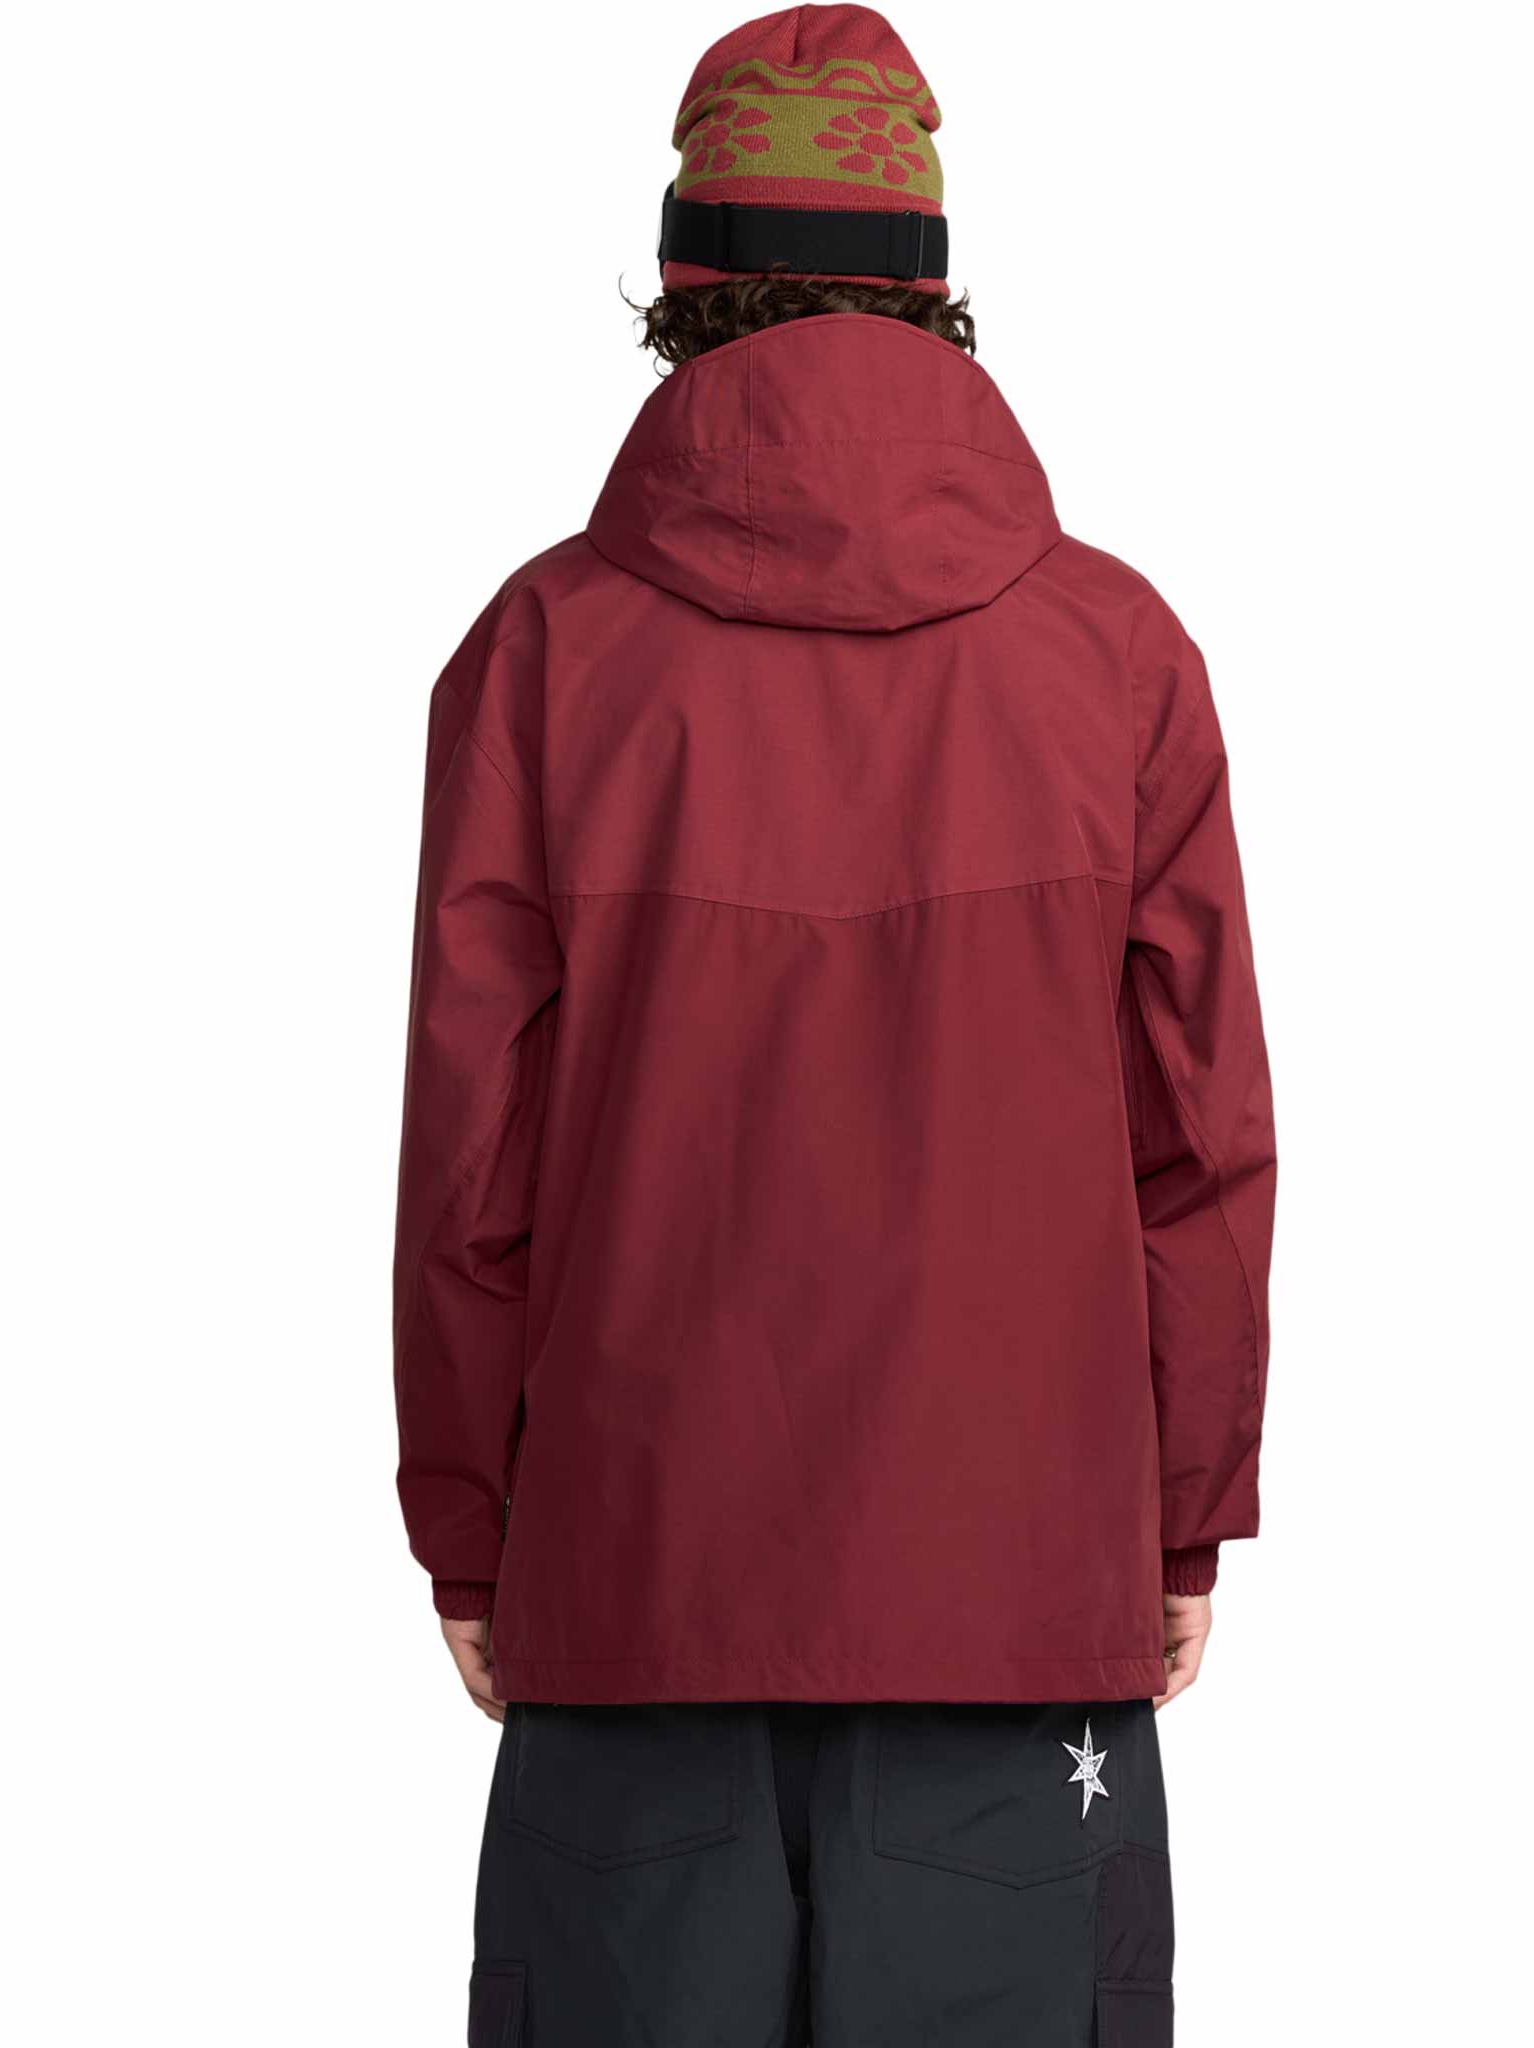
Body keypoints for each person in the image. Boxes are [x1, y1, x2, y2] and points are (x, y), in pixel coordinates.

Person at [391, 8, 1276, 2042]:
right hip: (1016, 1607)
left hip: (636, 1595)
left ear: (682, 279)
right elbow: (1203, 1139)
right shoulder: (1116, 655)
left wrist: (469, 1527)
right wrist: (1182, 1510)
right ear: (933, 280)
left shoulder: (543, 655)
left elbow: (467, 1155)